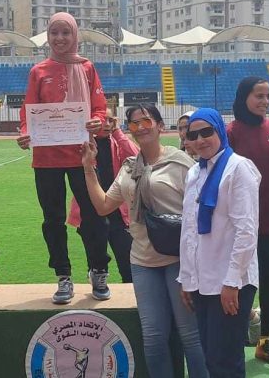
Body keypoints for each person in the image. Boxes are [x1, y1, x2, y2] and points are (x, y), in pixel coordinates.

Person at [81, 104, 208, 378]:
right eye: (134, 123)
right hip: (142, 261)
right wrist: (89, 169)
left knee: (190, 335)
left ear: (160, 126)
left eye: (146, 121)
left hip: (179, 260)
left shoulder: (182, 164)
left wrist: (195, 266)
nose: (140, 127)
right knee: (153, 337)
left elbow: (200, 215)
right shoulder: (129, 168)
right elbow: (103, 206)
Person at [17, 12, 111, 304]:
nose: (59, 38)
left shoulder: (87, 68)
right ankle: (63, 276)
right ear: (47, 36)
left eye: (65, 32)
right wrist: (25, 132)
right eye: (54, 33)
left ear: (75, 35)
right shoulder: (38, 71)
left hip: (82, 155)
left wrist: (97, 120)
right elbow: (29, 110)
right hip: (47, 158)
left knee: (94, 215)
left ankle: (99, 270)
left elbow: (99, 106)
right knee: (53, 220)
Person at [179, 108, 261, 378]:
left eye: (207, 132)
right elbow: (190, 230)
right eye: (193, 135)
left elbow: (246, 231)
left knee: (225, 360)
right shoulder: (195, 172)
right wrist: (187, 279)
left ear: (220, 131)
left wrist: (232, 282)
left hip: (229, 281)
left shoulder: (238, 168)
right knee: (211, 357)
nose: (200, 140)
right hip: (203, 280)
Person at [227, 77, 269, 367]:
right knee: (238, 279)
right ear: (244, 97)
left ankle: (265, 341)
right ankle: (235, 337)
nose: (265, 101)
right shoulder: (230, 132)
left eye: (268, 96)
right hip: (237, 223)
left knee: (267, 278)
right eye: (259, 96)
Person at [67, 107, 138, 283]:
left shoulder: (117, 142)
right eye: (102, 120)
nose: (106, 124)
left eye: (110, 120)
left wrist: (118, 132)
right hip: (89, 212)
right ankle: (97, 287)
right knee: (95, 265)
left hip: (117, 213)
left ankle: (131, 296)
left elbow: (137, 157)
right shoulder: (81, 146)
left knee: (128, 265)